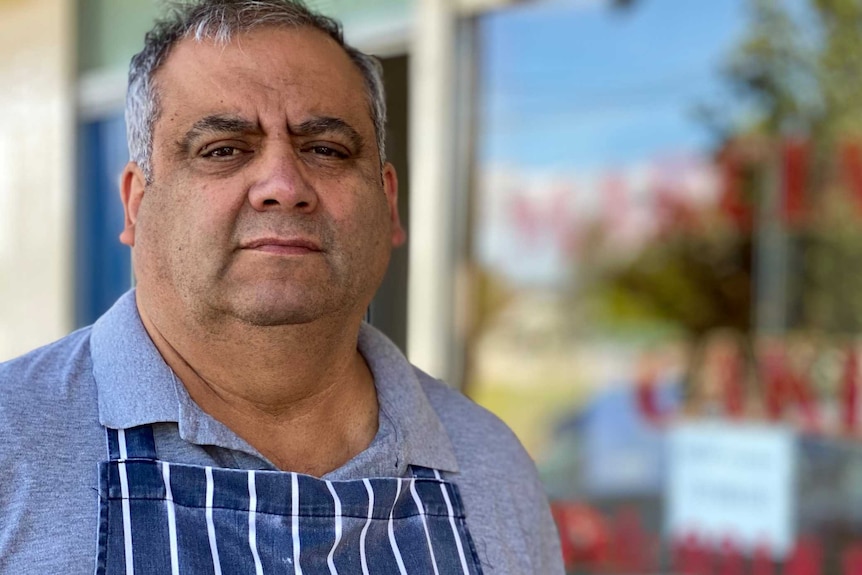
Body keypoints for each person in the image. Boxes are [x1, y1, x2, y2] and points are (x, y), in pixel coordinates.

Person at [0, 1, 563, 573]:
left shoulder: (490, 463)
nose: (284, 185)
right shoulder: (9, 441)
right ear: (137, 205)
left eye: (325, 149)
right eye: (223, 149)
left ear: (388, 203)